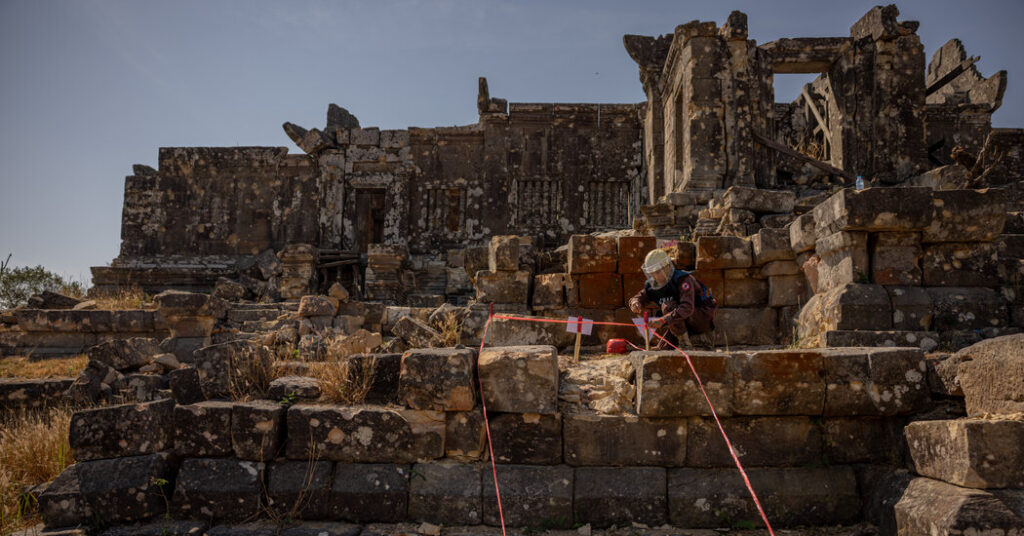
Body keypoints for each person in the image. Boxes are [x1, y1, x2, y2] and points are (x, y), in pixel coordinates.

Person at [627, 249, 716, 349]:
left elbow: (687, 308)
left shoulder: (683, 280)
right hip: (680, 321)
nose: (654, 276)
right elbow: (640, 297)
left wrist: (662, 320)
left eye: (657, 272)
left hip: (700, 320)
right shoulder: (654, 285)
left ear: (667, 268)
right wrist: (635, 303)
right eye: (651, 273)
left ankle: (685, 345)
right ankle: (681, 340)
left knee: (668, 306)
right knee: (663, 349)